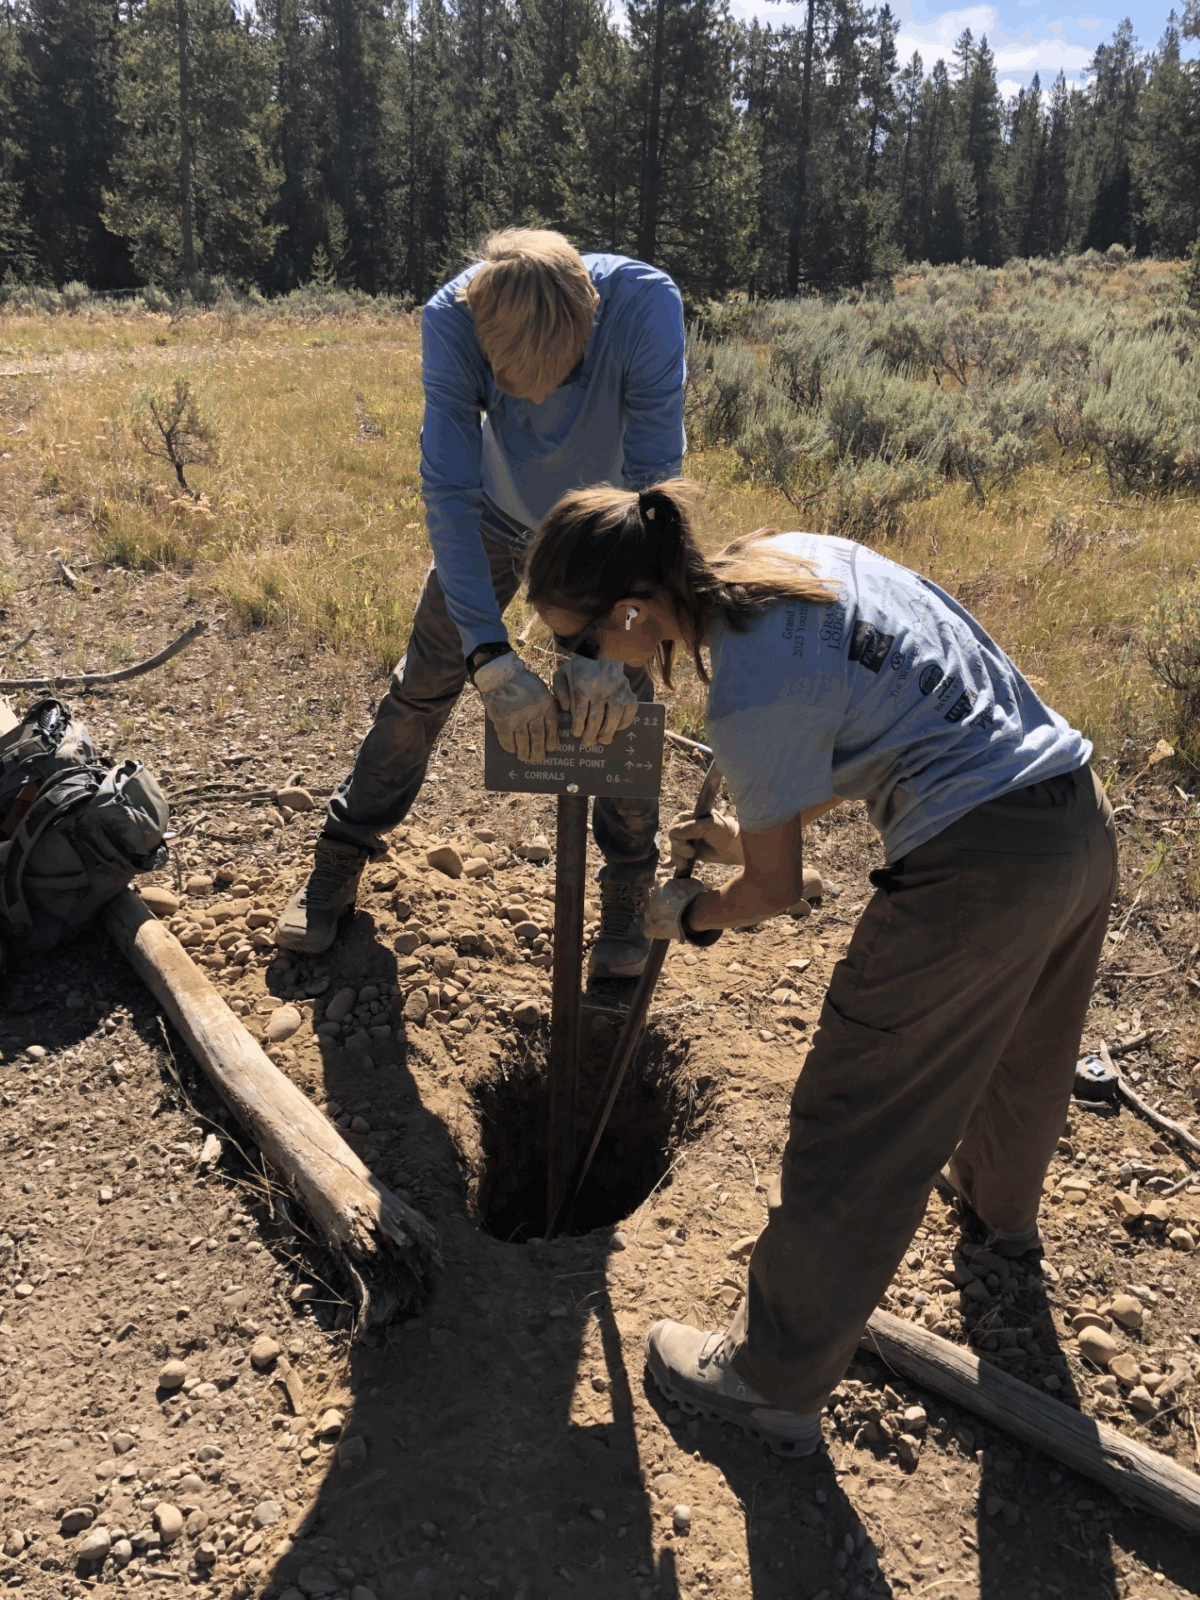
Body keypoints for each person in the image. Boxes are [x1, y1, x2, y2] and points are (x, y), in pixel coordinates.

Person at [523, 479, 1117, 1457]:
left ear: (630, 613)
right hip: (1072, 818)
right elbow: (869, 731)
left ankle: (774, 1380)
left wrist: (689, 912)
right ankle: (1000, 1228)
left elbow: (775, 895)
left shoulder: (749, 691)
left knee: (855, 1109)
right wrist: (744, 831)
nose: (582, 663)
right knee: (1025, 1055)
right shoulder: (786, 563)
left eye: (579, 643)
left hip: (975, 870)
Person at [274, 229, 686, 978]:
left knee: (618, 708)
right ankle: (339, 854)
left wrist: (611, 638)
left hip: (604, 533)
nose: (528, 401)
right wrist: (490, 660)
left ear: (589, 322)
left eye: (551, 381)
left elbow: (655, 491)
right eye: (511, 384)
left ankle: (627, 894)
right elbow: (451, 492)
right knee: (421, 691)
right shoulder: (451, 318)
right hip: (494, 520)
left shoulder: (646, 307)